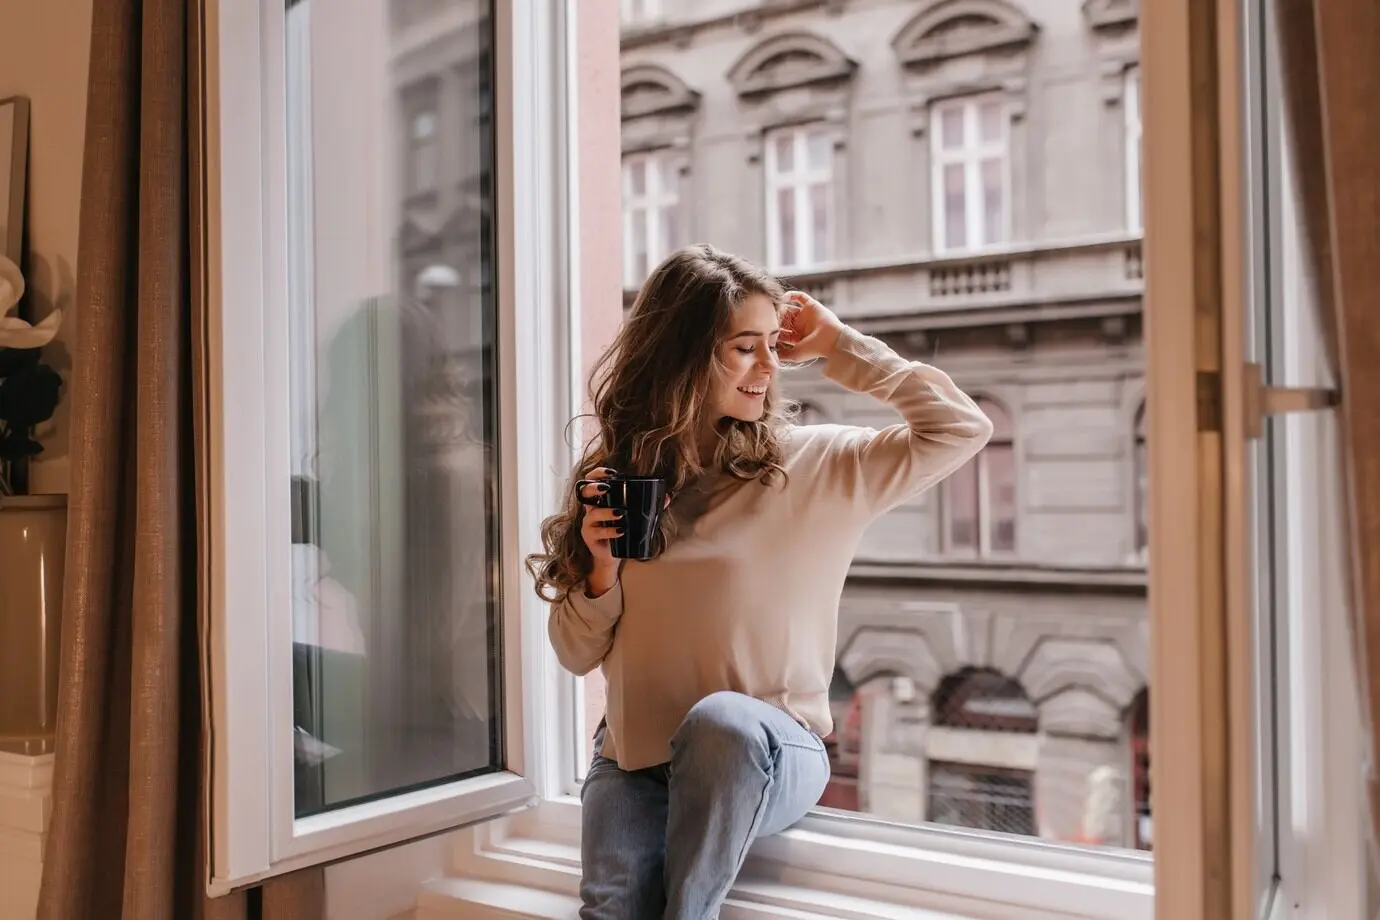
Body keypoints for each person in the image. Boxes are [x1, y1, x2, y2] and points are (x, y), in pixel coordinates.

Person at [527, 244, 993, 919]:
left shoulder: (816, 467)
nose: (770, 366)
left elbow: (960, 427)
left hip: (770, 751)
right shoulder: (622, 482)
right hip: (634, 760)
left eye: (773, 344)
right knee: (610, 910)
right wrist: (601, 572)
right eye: (746, 348)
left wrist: (840, 346)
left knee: (722, 724)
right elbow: (575, 654)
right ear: (682, 357)